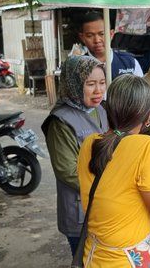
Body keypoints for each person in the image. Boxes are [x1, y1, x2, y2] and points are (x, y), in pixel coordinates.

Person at [77, 74, 150, 267]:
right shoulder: (146, 146)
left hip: (93, 257)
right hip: (128, 261)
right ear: (148, 117)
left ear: (107, 110)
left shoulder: (89, 143)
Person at [42, 55, 109, 256]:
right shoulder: (61, 121)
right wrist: (109, 184)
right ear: (73, 84)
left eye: (102, 83)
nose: (98, 91)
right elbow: (67, 171)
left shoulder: (99, 110)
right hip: (79, 210)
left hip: (103, 205)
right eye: (90, 84)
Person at [77, 11, 143, 78]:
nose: (97, 40)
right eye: (90, 35)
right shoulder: (78, 67)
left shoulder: (130, 63)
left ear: (111, 34)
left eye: (102, 34)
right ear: (82, 38)